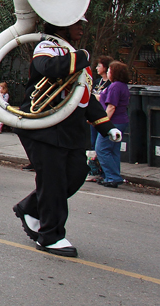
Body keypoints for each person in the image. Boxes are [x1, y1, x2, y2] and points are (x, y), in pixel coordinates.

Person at [12, 19, 120, 257]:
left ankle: (29, 208)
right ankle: (50, 235)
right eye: (77, 23)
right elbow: (49, 69)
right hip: (43, 126)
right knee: (53, 181)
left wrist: (106, 126)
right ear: (61, 25)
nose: (82, 26)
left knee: (76, 173)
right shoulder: (47, 47)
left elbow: (84, 94)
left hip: (70, 129)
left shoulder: (71, 53)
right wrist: (81, 56)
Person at [94, 61, 130, 188]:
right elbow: (103, 98)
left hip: (113, 121)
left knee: (102, 149)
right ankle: (112, 175)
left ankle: (112, 176)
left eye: (109, 70)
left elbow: (111, 107)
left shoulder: (115, 87)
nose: (108, 72)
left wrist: (103, 123)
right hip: (121, 121)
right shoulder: (121, 86)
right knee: (113, 150)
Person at [86, 55, 113, 181]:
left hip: (103, 115)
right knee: (93, 144)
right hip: (94, 117)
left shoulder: (110, 84)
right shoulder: (97, 82)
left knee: (101, 146)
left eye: (99, 66)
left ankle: (102, 172)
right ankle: (93, 170)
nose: (97, 68)